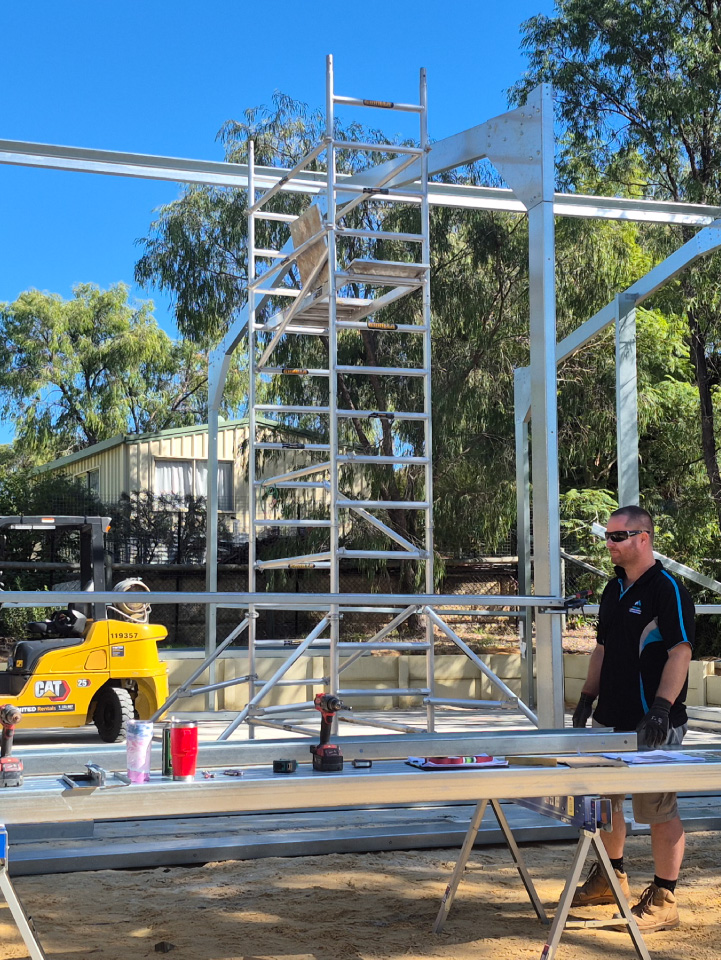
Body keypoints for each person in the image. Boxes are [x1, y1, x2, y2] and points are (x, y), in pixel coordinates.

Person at [571, 505, 694, 932]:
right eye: (608, 536)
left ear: (643, 537)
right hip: (611, 719)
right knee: (604, 802)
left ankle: (664, 897)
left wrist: (661, 708)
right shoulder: (611, 590)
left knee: (656, 807)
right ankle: (611, 875)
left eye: (618, 536)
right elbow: (602, 648)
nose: (610, 543)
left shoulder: (667, 590)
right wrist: (588, 696)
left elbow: (680, 651)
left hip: (653, 721)